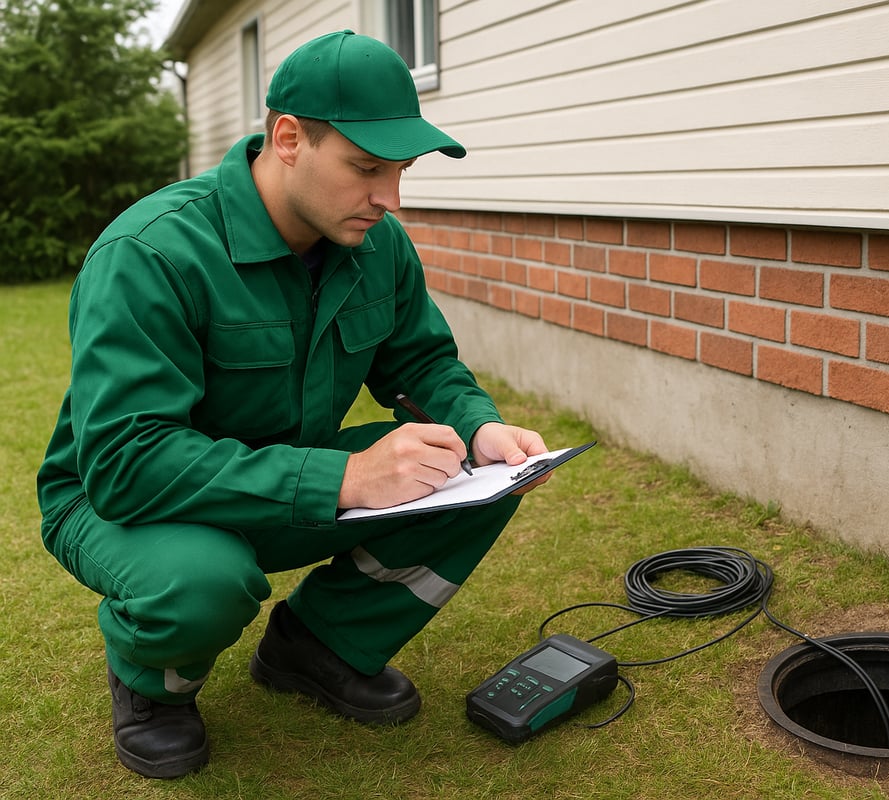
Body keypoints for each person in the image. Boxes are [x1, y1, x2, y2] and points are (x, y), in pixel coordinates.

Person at [36, 30, 551, 780]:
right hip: (121, 498)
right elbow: (125, 462)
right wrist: (346, 479)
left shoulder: (378, 244)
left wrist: (480, 427)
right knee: (202, 581)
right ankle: (155, 684)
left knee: (471, 478)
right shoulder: (150, 253)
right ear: (288, 139)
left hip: (279, 477)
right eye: (367, 168)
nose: (390, 199)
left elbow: (419, 362)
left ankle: (317, 646)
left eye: (400, 171)